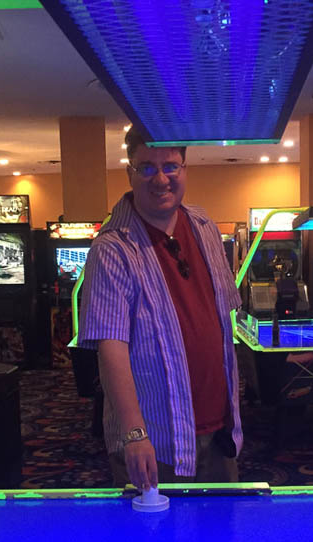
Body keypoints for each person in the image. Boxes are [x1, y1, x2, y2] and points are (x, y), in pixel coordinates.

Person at [78, 128, 242, 490]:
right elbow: (111, 350)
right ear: (130, 173)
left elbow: (220, 323)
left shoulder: (205, 227)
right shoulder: (112, 249)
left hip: (218, 431)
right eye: (147, 168)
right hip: (156, 442)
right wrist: (135, 434)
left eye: (171, 166)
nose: (161, 179)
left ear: (184, 168)